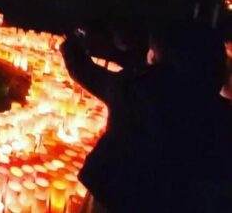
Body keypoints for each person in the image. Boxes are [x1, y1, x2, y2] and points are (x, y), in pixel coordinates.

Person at [61, 24, 232, 212]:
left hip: (115, 195)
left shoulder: (138, 90)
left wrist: (72, 43)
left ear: (161, 57)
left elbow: (84, 71)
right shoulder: (222, 116)